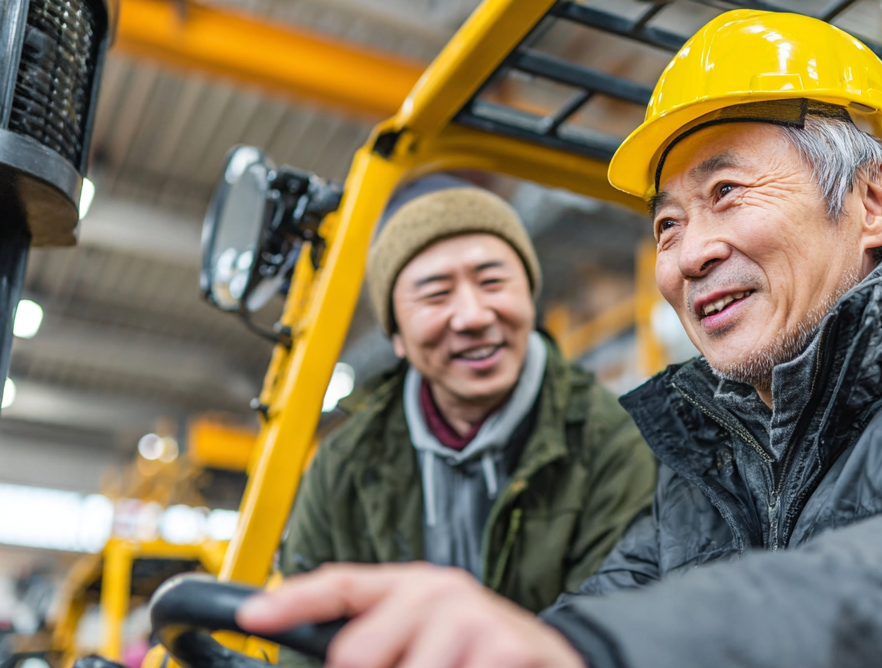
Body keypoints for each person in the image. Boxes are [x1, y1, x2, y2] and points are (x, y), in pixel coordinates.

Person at [242, 10, 882, 668]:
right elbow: (571, 657)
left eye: (727, 192)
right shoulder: (704, 454)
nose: (690, 255)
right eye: (667, 226)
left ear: (872, 202)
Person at [280, 177, 656, 612]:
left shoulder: (612, 443)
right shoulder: (344, 466)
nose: (473, 316)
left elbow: (608, 623)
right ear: (396, 335)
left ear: (529, 296)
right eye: (436, 295)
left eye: (492, 282)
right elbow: (304, 624)